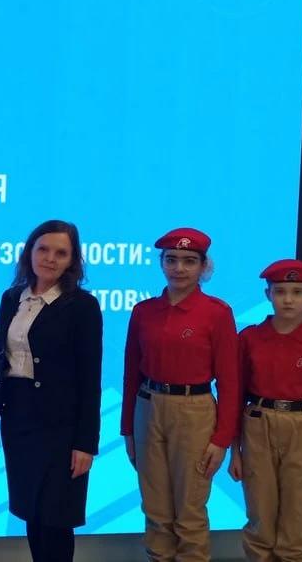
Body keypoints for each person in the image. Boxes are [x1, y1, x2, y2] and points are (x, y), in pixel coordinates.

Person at [0, 219, 103, 562]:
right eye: (43, 249)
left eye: (60, 253)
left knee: (56, 517)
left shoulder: (82, 306)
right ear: (29, 252)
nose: (50, 258)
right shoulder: (11, 298)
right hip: (18, 421)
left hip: (60, 428)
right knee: (32, 512)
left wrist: (85, 443)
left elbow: (90, 378)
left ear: (72, 260)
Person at [120, 227, 239, 561]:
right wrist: (127, 429)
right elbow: (131, 374)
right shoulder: (143, 311)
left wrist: (222, 439)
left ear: (203, 266)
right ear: (161, 263)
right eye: (171, 260)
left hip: (194, 411)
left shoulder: (217, 313)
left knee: (189, 511)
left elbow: (230, 381)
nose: (179, 268)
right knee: (155, 509)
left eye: (189, 261)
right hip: (147, 408)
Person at [228, 259, 302, 562]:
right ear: (268, 295)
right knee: (260, 518)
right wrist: (235, 451)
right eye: (280, 291)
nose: (288, 299)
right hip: (258, 425)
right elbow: (236, 395)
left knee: (297, 521)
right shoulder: (249, 339)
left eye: (297, 292)